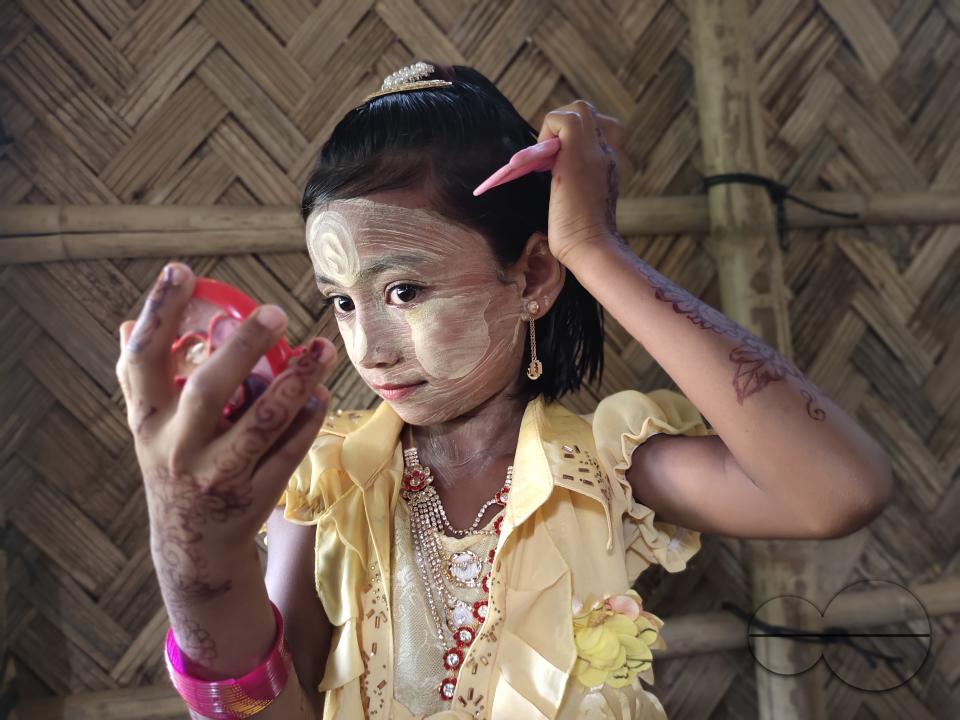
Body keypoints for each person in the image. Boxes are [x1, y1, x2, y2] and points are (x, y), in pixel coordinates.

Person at [116, 61, 894, 720]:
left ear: (533, 277)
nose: (369, 347)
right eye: (342, 301)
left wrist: (594, 248)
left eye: (406, 292)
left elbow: (837, 491)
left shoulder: (603, 472)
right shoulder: (331, 486)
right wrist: (199, 561)